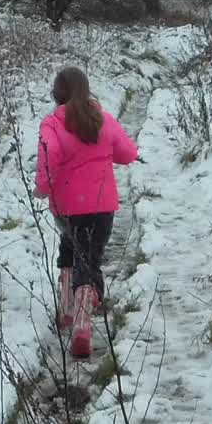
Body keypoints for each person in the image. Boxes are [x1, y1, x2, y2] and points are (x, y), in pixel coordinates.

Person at [34, 66, 138, 359]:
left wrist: (43, 186)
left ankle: (69, 308)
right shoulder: (102, 119)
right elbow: (127, 153)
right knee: (89, 257)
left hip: (68, 207)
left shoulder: (52, 124)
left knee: (70, 246)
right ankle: (81, 321)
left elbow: (49, 154)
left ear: (57, 94)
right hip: (102, 208)